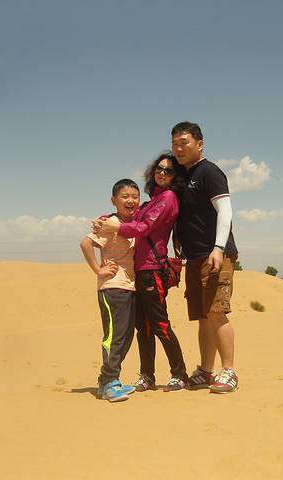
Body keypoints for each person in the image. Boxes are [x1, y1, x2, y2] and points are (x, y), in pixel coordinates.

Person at [94, 153, 189, 392]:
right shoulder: (150, 202)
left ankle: (179, 374)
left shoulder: (168, 198)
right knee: (144, 328)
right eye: (159, 168)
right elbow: (129, 218)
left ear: (176, 176)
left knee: (160, 325)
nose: (162, 173)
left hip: (152, 270)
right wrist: (106, 219)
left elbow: (144, 227)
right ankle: (147, 375)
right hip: (139, 272)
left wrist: (117, 226)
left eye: (169, 170)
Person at [171, 121, 239, 393]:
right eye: (175, 144)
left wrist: (218, 247)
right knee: (203, 316)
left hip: (214, 255)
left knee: (216, 311)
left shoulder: (209, 171)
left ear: (199, 144)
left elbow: (225, 210)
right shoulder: (184, 176)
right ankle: (206, 370)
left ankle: (229, 371)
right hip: (195, 257)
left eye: (184, 143)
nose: (179, 148)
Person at [79, 179, 140, 402]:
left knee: (126, 336)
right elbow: (86, 244)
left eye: (135, 196)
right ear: (114, 200)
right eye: (125, 196)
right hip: (113, 287)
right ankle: (110, 382)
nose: (130, 200)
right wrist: (98, 269)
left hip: (129, 286)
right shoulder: (110, 223)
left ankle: (106, 381)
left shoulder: (132, 222)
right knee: (115, 336)